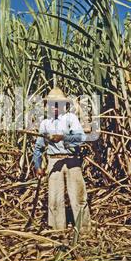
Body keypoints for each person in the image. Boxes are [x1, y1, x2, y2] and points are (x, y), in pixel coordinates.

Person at [33, 87, 91, 233]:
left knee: (78, 197)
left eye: (58, 103)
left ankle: (84, 230)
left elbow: (81, 138)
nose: (55, 107)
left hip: (72, 161)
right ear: (49, 106)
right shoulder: (45, 123)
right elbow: (38, 148)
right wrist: (37, 165)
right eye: (53, 104)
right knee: (54, 199)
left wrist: (63, 137)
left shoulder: (70, 119)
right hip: (53, 162)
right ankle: (57, 230)